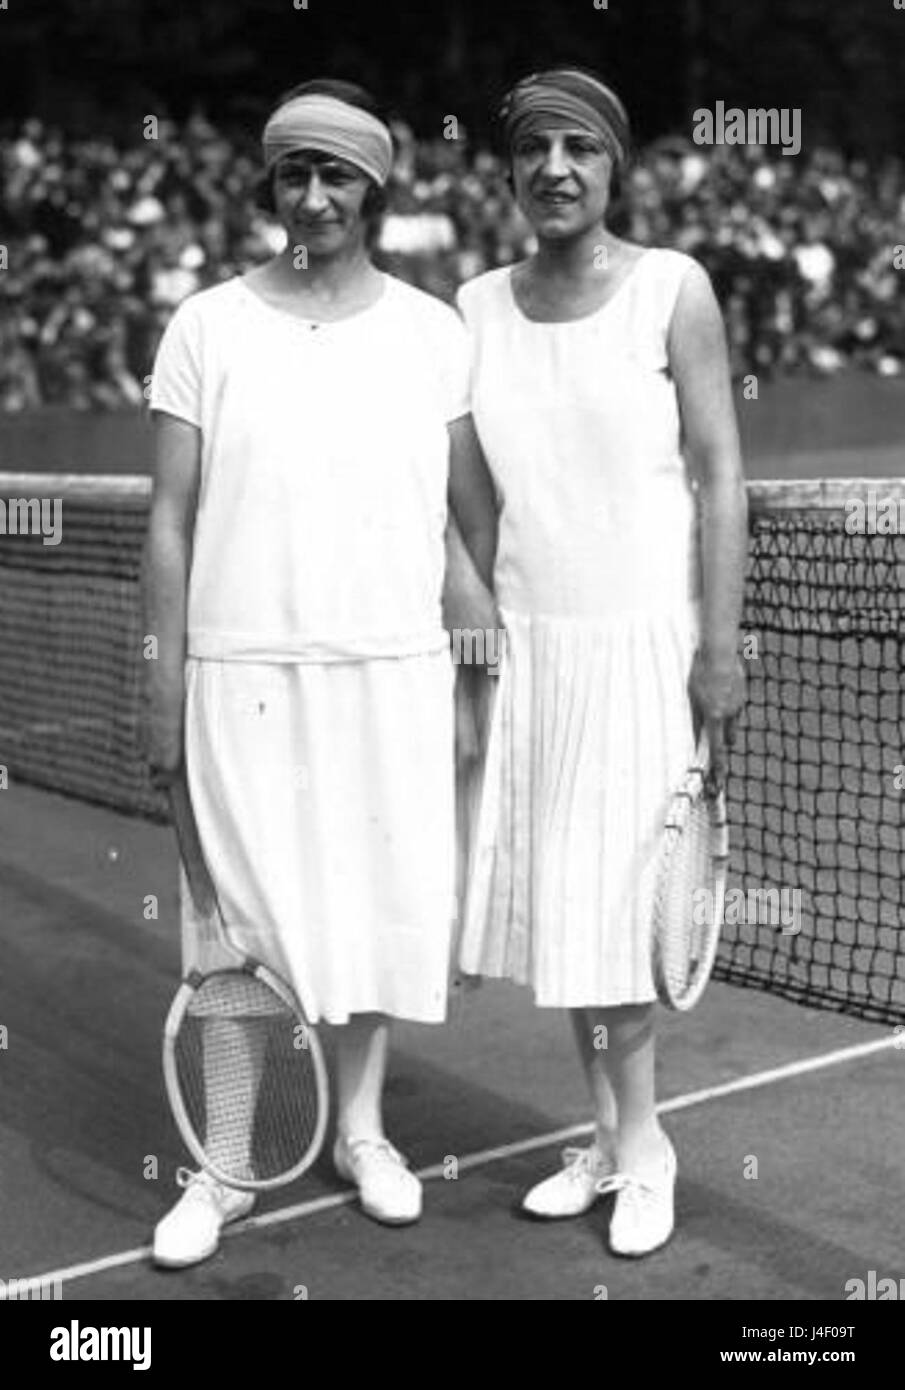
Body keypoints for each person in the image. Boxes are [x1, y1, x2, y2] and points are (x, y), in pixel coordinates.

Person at [142, 78, 497, 1267]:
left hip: (386, 668)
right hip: (236, 668)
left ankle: (360, 1132)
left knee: (371, 913)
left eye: (335, 174)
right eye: (294, 173)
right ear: (270, 187)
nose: (313, 195)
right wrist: (160, 678)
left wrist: (458, 600)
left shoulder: (432, 330)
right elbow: (169, 527)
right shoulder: (203, 325)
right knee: (232, 932)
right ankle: (229, 1161)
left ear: (374, 192)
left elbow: (464, 509)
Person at [456, 68, 747, 1256]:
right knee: (568, 920)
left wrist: (718, 645)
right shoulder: (472, 307)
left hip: (648, 646)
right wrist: (471, 611)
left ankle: (646, 1149)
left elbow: (721, 474)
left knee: (622, 918)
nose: (555, 169)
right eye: (534, 149)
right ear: (510, 168)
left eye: (579, 147)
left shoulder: (673, 289)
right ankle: (606, 1135)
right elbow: (465, 499)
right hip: (533, 649)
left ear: (614, 164)